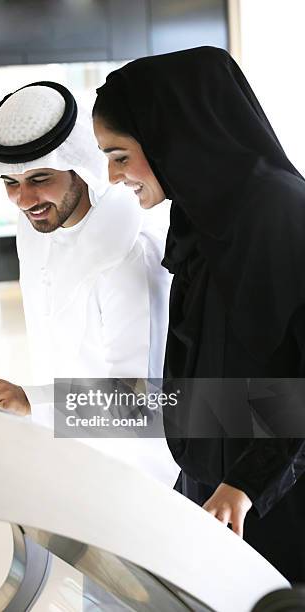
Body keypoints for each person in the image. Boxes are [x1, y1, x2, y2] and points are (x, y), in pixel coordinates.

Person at [92, 46, 305, 583]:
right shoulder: (199, 220)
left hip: (275, 514)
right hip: (215, 504)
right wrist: (43, 402)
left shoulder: (280, 213)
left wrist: (245, 486)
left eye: (120, 155)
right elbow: (197, 394)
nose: (115, 177)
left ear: (174, 134)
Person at [0, 81, 178, 485]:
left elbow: (138, 402)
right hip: (71, 461)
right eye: (10, 183)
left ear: (82, 168)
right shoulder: (38, 231)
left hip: (140, 479)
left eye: (41, 177)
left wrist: (32, 402)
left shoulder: (129, 251)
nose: (24, 199)